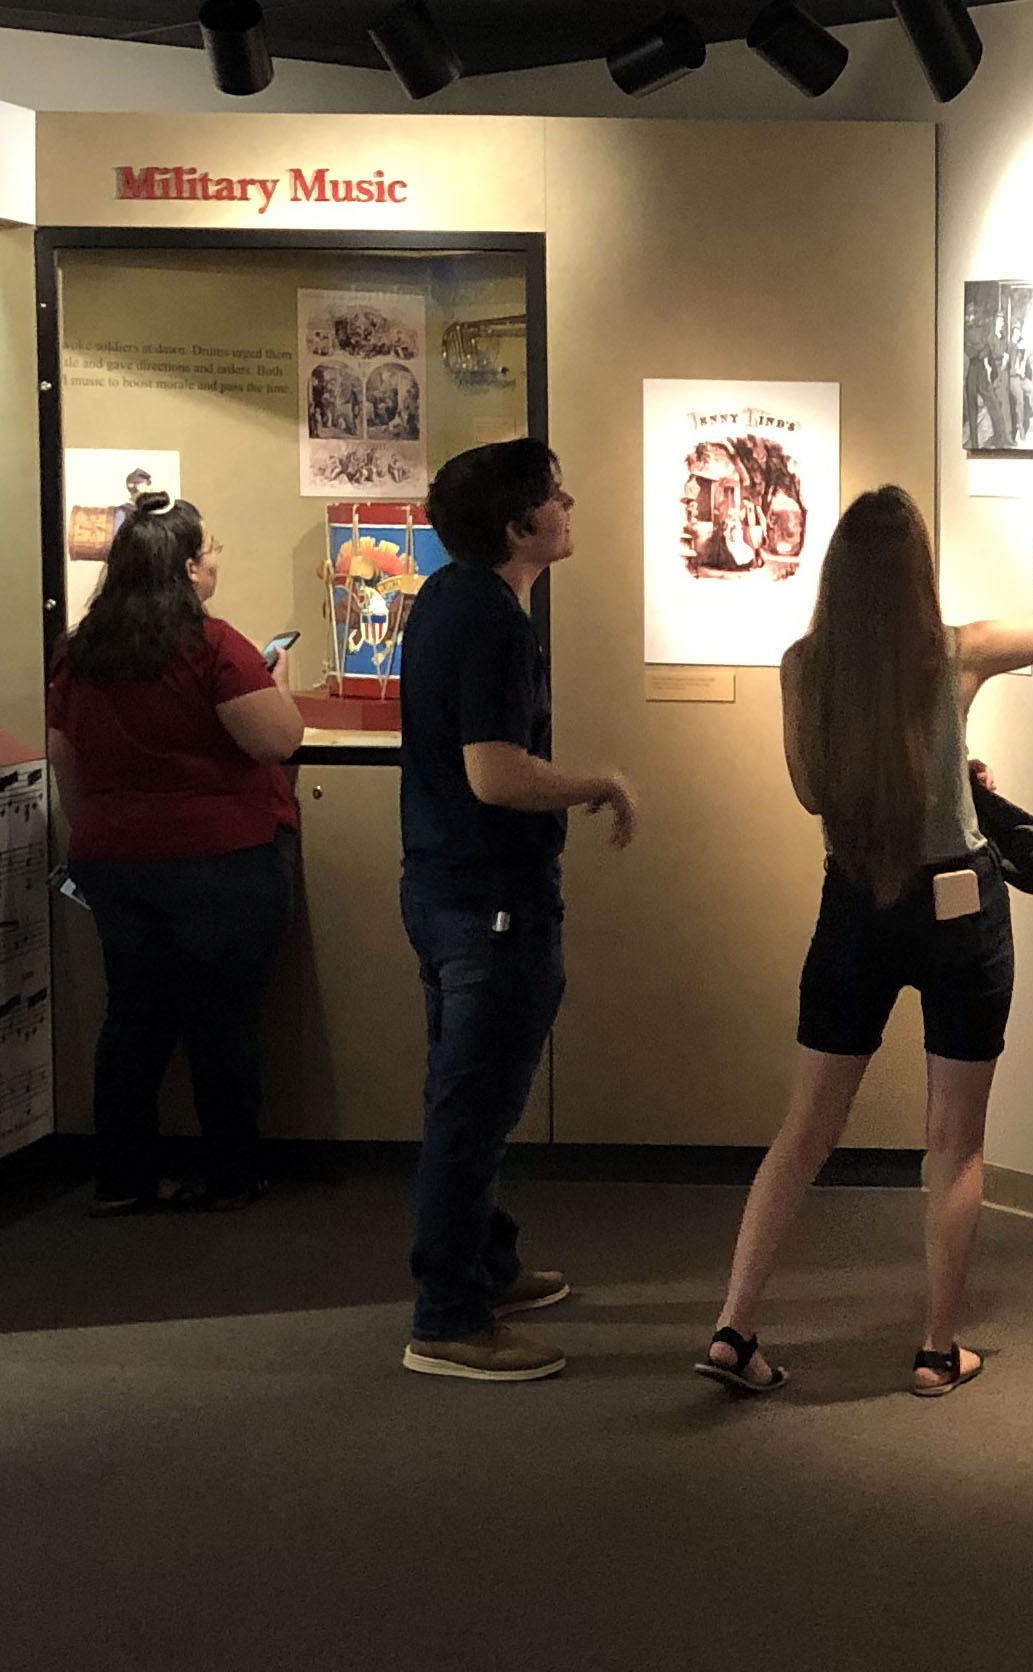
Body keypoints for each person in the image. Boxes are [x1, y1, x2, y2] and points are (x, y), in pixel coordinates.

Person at [700, 461, 1033, 1397]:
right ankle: (939, 1351)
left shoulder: (802, 667)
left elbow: (813, 791)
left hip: (856, 901)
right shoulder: (957, 651)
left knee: (805, 1129)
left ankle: (735, 1328)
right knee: (956, 1143)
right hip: (960, 912)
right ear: (917, 575)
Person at [399, 440, 639, 1383]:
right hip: (489, 900)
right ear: (518, 526)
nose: (569, 503)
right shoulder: (496, 622)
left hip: (442, 887)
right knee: (474, 1107)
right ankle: (448, 1318)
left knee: (466, 1095)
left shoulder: (448, 600)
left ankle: (485, 1268)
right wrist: (602, 782)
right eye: (553, 495)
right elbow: (495, 774)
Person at [46, 493, 305, 1215]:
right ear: (190, 569)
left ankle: (123, 1180)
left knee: (132, 1017)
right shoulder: (215, 647)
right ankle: (227, 1175)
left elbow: (65, 758)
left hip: (113, 861)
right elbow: (274, 742)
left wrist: (93, 831)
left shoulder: (79, 650)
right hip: (220, 860)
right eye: (212, 550)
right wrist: (275, 682)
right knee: (222, 1020)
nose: (217, 559)